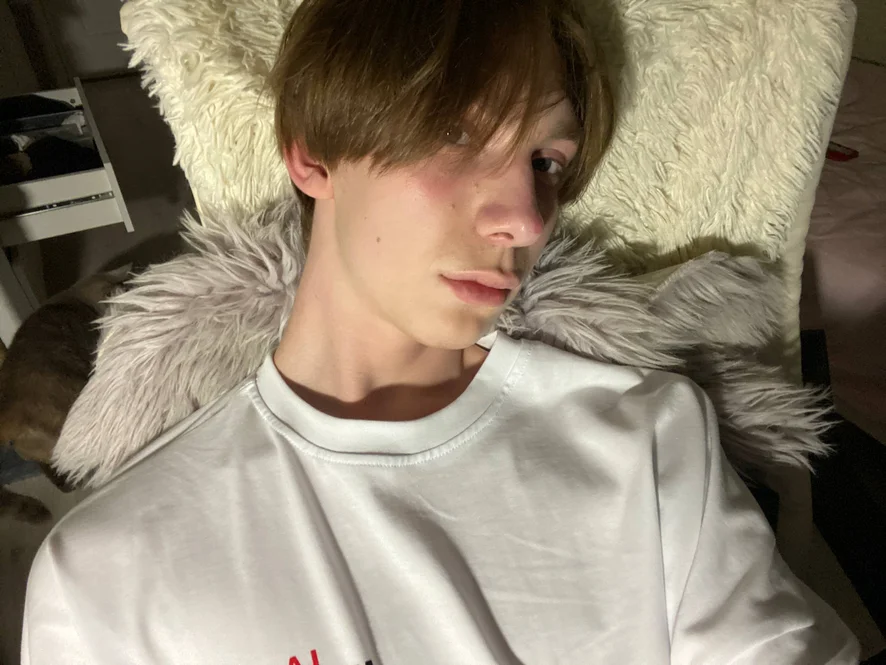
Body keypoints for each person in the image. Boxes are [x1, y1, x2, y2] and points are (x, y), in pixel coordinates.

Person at [22, 0, 859, 663]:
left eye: (546, 162)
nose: (526, 218)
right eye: (457, 134)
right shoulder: (110, 568)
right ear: (312, 153)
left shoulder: (648, 437)